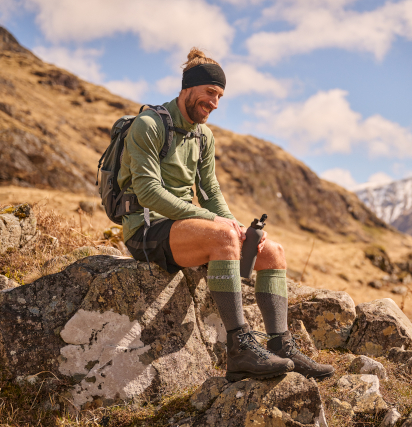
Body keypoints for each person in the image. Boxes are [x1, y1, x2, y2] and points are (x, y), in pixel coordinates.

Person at [118, 47, 334, 382]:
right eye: (209, 93)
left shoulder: (204, 136)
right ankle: (240, 349)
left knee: (272, 252)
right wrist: (215, 223)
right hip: (147, 230)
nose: (215, 103)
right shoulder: (148, 125)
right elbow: (147, 191)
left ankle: (280, 345)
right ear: (187, 88)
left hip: (187, 229)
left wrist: (234, 225)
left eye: (220, 96)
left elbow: (211, 191)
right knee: (222, 235)